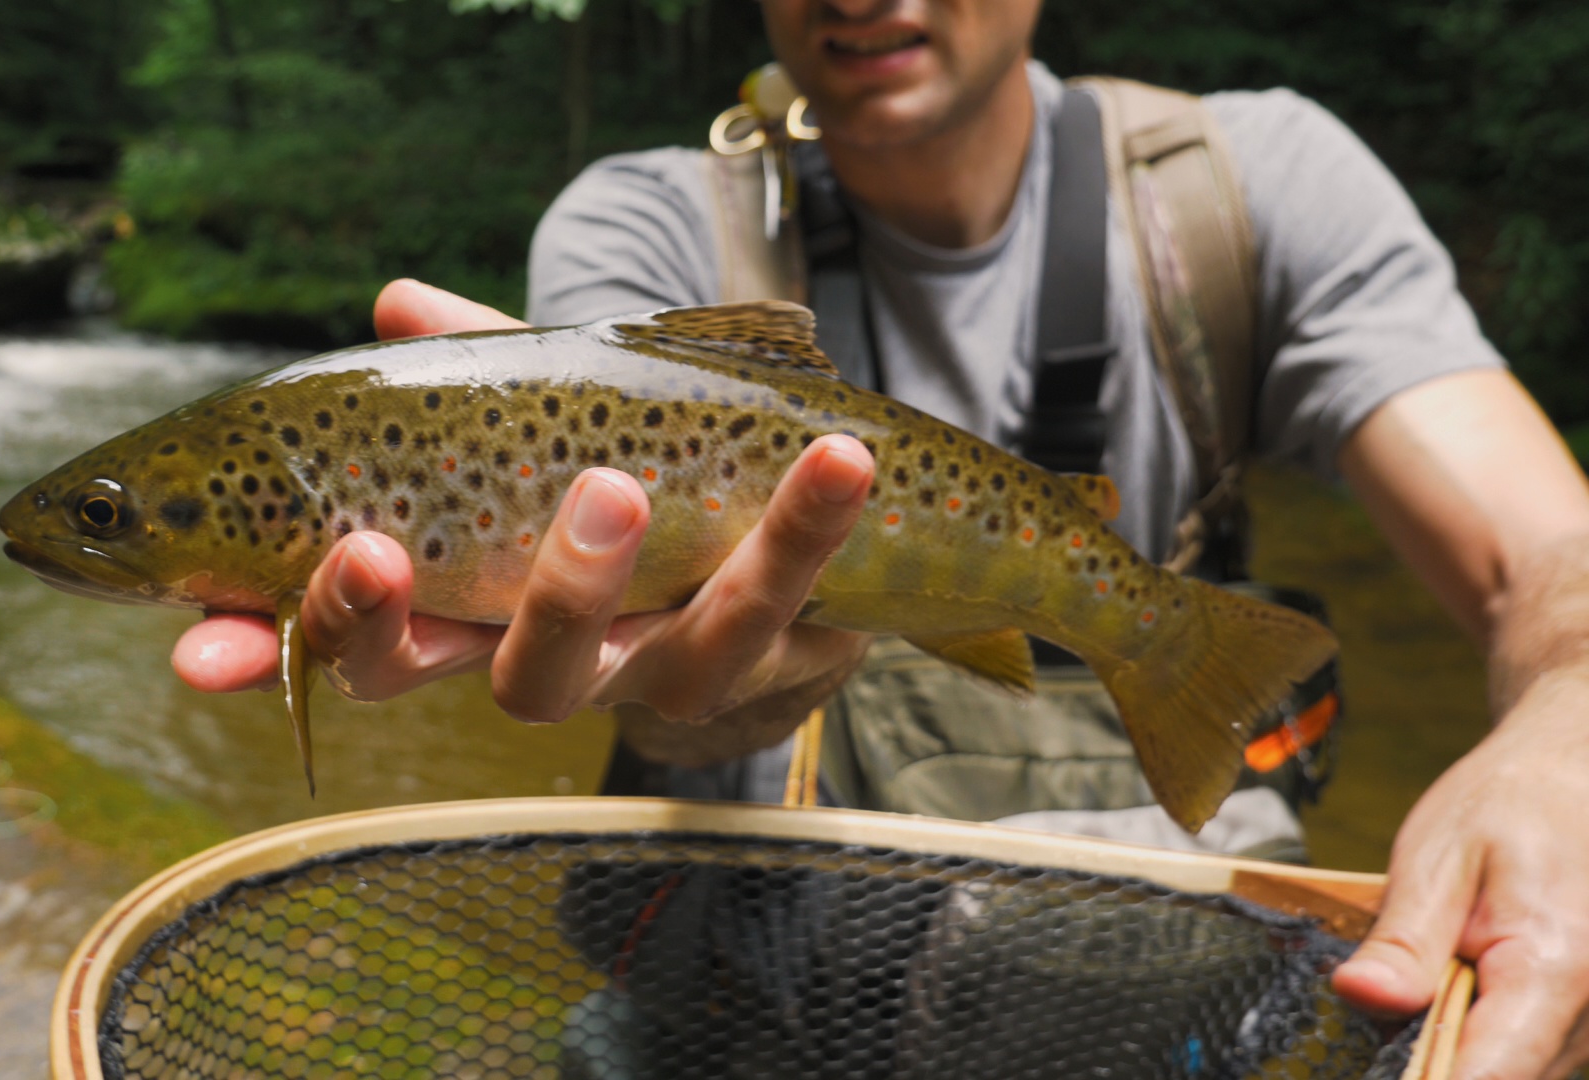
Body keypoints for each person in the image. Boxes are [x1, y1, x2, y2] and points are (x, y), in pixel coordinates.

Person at [169, 2, 1589, 1075]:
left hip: (1122, 1004)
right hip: (741, 1006)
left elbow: (1544, 555)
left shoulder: (1251, 186)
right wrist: (717, 673)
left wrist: (1574, 709)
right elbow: (666, 692)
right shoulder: (648, 226)